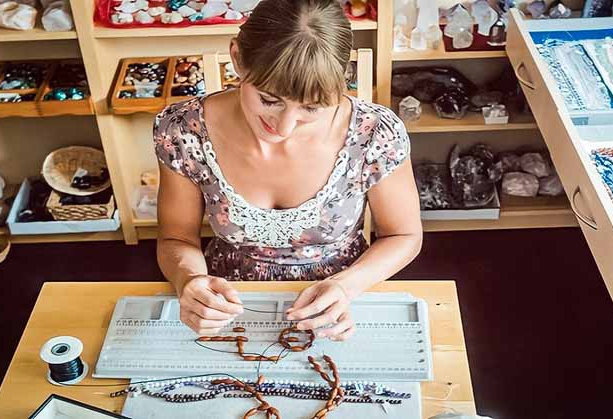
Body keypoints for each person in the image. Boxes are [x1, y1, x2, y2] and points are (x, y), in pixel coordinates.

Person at [154, 0, 421, 341]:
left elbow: (404, 236)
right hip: (228, 300)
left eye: (311, 108)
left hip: (342, 300)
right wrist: (189, 280)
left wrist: (346, 286)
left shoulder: (374, 134)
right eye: (269, 100)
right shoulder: (183, 130)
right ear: (237, 58)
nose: (283, 127)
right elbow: (176, 237)